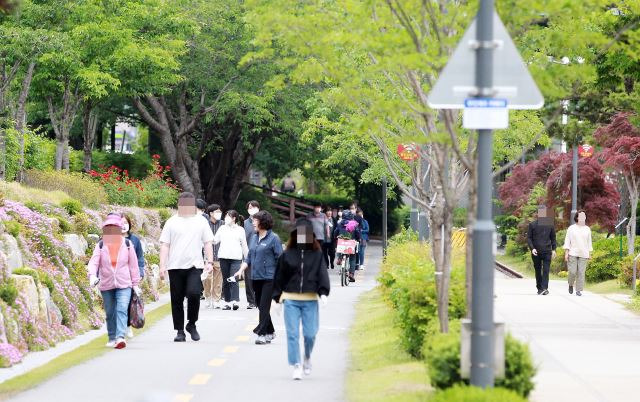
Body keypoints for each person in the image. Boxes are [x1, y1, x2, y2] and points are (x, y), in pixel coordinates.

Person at [273, 217, 330, 380]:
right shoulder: (287, 254)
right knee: (292, 334)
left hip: (311, 300)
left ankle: (307, 357)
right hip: (290, 299)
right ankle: (296, 364)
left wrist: (323, 293)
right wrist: (276, 299)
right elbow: (279, 277)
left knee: (310, 334)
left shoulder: (317, 254)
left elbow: (322, 275)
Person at [159, 192, 214, 342]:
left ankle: (192, 323)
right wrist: (162, 265)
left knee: (194, 293)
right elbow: (165, 245)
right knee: (176, 299)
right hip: (175, 266)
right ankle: (180, 331)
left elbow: (208, 242)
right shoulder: (171, 222)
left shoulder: (201, 221)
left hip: (194, 265)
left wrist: (209, 262)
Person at [88, 214, 141, 349]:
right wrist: (92, 276)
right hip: (106, 284)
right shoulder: (100, 245)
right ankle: (112, 336)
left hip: (124, 284)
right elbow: (93, 262)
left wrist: (135, 284)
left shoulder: (128, 244)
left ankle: (120, 337)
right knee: (110, 311)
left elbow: (133, 265)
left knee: (122, 308)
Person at [234, 211, 283, 344]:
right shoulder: (254, 238)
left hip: (269, 278)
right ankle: (270, 331)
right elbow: (249, 257)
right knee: (260, 306)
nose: (253, 223)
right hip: (255, 277)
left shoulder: (274, 238)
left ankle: (261, 334)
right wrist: (240, 270)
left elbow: (281, 259)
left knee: (264, 306)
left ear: (264, 222)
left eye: (256, 221)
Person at [214, 209, 248, 310]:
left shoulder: (240, 230)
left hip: (236, 258)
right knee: (225, 279)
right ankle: (227, 302)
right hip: (223, 257)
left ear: (234, 218)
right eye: (225, 216)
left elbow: (244, 245)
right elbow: (215, 241)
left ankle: (235, 301)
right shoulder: (222, 228)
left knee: (234, 278)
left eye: (228, 216)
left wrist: (248, 259)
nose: (226, 218)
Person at [122, 214, 145, 339]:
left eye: (125, 222)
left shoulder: (134, 240)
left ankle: (127, 326)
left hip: (131, 276)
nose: (123, 225)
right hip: (116, 276)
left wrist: (140, 272)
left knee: (127, 302)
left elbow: (140, 257)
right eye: (121, 222)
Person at [526, 205, 557, 295]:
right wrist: (532, 249)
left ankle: (544, 288)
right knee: (538, 270)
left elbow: (553, 238)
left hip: (547, 251)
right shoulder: (532, 224)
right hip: (536, 252)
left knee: (546, 270)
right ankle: (539, 288)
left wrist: (554, 249)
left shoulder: (550, 224)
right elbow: (529, 238)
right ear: (538, 213)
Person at [563, 211, 592, 296]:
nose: (583, 217)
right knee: (572, 272)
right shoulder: (571, 228)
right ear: (577, 218)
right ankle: (571, 284)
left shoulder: (587, 229)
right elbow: (567, 241)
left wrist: (589, 253)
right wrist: (566, 253)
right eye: (581, 216)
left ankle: (578, 290)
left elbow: (589, 242)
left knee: (581, 272)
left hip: (584, 253)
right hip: (573, 253)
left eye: (584, 216)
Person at [204, 204, 224, 308]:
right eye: (216, 212)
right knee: (207, 278)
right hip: (207, 257)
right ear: (211, 213)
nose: (219, 214)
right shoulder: (205, 224)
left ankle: (216, 299)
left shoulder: (223, 224)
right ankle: (207, 296)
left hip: (220, 256)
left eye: (220, 212)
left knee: (218, 280)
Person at [334, 210, 361, 282]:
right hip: (351, 243)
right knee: (352, 257)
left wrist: (335, 236)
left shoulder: (340, 223)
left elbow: (336, 231)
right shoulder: (354, 224)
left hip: (342, 242)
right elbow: (357, 233)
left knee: (339, 244)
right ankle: (351, 274)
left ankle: (339, 258)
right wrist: (358, 239)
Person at [243, 201, 260, 309]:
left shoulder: (264, 221)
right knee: (248, 279)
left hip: (261, 254)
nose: (252, 209)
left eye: (254, 207)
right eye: (250, 207)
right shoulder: (244, 223)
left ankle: (259, 299)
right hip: (248, 254)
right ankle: (251, 301)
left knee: (259, 278)